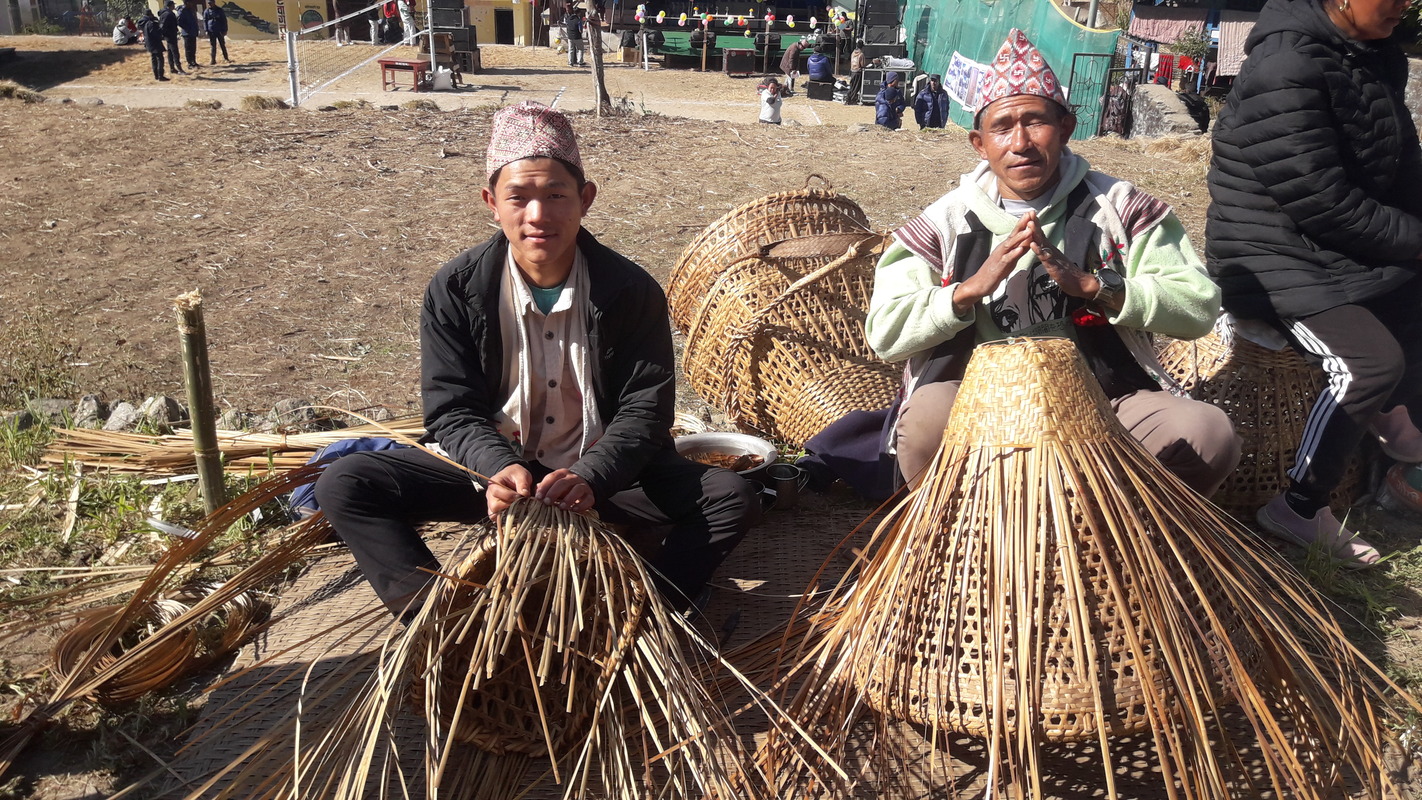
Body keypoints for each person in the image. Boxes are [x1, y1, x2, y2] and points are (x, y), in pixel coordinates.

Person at [313, 102, 760, 617]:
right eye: (518, 197)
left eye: (556, 196)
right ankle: (437, 621)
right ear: (491, 202)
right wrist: (497, 468)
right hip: (494, 476)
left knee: (730, 497)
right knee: (345, 482)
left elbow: (646, 411)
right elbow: (452, 409)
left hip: (601, 480)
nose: (538, 216)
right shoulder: (456, 289)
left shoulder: (630, 290)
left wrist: (592, 475)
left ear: (585, 200)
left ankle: (641, 612)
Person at [864, 28, 1239, 498]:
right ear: (979, 143)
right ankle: (963, 542)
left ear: (1065, 129)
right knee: (924, 423)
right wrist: (967, 292)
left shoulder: (1121, 209)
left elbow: (1199, 306)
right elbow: (884, 334)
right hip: (978, 402)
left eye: (1035, 122)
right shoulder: (943, 223)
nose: (1020, 142)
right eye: (1002, 127)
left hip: (1105, 399)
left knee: (1206, 434)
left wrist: (1097, 287)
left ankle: (1118, 534)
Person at [1206, 0, 1422, 567]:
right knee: (1370, 363)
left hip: (1329, 243)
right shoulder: (1285, 67)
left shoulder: (1375, 54)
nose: (1406, 3)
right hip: (1271, 250)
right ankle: (1298, 506)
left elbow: (1403, 163)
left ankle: (1397, 426)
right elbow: (1323, 203)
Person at [158, 0, 186, 76]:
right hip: (170, 36)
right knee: (175, 52)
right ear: (169, 6)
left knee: (170, 52)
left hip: (169, 35)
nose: (174, 6)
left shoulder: (165, 14)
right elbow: (163, 26)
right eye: (172, 5)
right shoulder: (168, 14)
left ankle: (172, 68)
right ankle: (179, 68)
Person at [140, 10, 168, 81]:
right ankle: (160, 75)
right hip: (155, 44)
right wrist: (161, 30)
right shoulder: (151, 24)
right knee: (160, 59)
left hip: (150, 44)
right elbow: (155, 34)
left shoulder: (146, 23)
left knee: (154, 60)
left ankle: (156, 75)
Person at [203, 0, 230, 64]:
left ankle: (226, 58)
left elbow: (224, 20)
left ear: (214, 2)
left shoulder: (219, 10)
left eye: (210, 3)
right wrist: (206, 30)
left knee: (222, 45)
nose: (209, 4)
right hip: (211, 30)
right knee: (213, 46)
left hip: (219, 30)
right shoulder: (206, 11)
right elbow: (205, 21)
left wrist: (225, 30)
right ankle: (213, 60)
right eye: (208, 3)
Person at [177, 0, 200, 68]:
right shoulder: (182, 11)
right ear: (186, 3)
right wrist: (187, 28)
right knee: (188, 49)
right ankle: (190, 63)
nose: (192, 4)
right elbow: (179, 22)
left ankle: (194, 61)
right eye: (190, 2)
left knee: (193, 48)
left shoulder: (191, 10)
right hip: (187, 33)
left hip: (193, 32)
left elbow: (194, 20)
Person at [844, 38, 865, 105]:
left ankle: (848, 99)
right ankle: (852, 100)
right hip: (858, 72)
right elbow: (862, 64)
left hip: (852, 70)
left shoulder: (853, 53)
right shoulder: (861, 54)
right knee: (856, 87)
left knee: (852, 86)